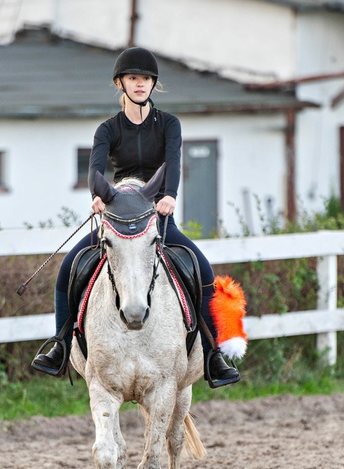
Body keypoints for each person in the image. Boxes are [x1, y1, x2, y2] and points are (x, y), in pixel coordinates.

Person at [32, 47, 240, 387]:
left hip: (157, 215)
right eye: (133, 78)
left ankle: (213, 353)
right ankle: (59, 345)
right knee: (69, 267)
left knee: (202, 268)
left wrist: (170, 195)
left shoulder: (169, 124)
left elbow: (173, 162)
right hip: (119, 215)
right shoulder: (108, 129)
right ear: (120, 83)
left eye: (145, 79)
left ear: (153, 84)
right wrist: (97, 196)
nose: (140, 84)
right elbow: (95, 169)